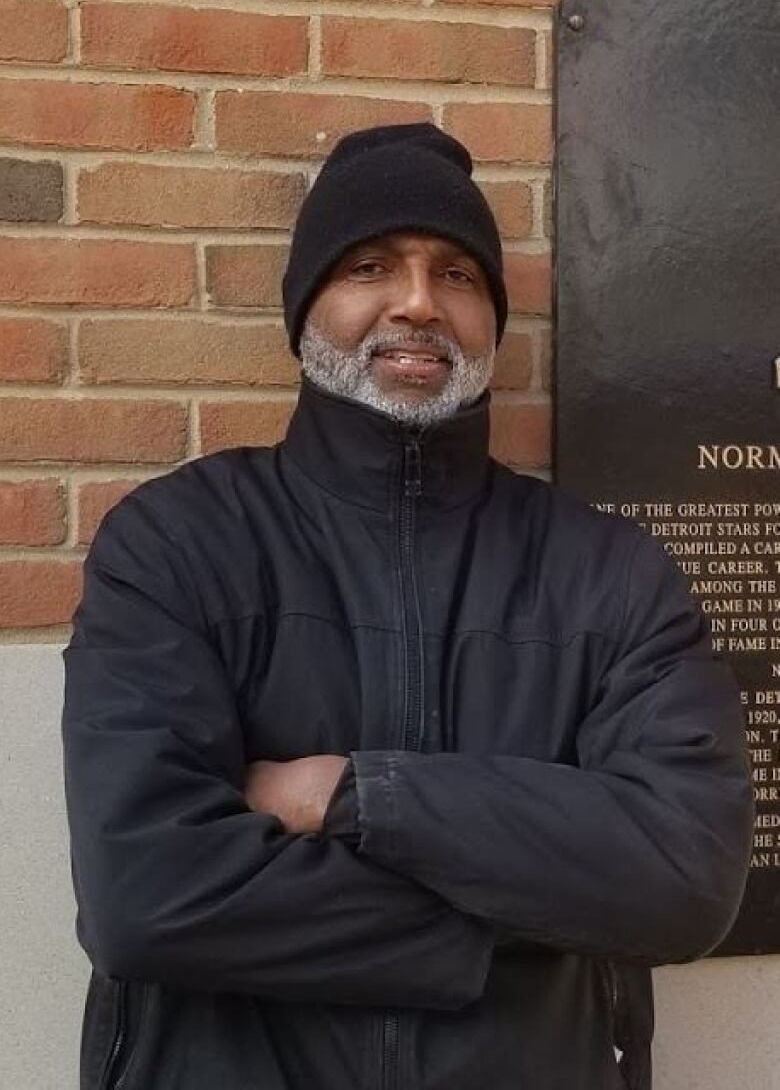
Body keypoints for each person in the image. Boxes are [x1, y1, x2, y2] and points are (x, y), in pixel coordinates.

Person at [63, 123, 753, 1090]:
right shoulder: (178, 545)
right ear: (308, 306)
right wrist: (520, 922)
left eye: (458, 275)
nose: (419, 303)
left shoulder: (613, 574)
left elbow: (686, 881)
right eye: (371, 265)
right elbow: (146, 897)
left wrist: (347, 794)